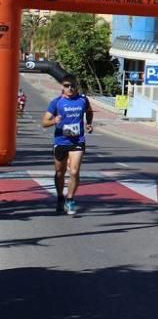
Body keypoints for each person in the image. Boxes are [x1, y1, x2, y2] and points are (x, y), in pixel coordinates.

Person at [41, 74, 94, 215]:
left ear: (76, 86)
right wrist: (54, 121)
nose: (70, 88)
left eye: (72, 86)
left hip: (77, 141)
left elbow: (89, 112)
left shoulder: (83, 100)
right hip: (60, 141)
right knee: (60, 172)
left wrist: (89, 123)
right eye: (66, 86)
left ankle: (70, 199)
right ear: (62, 87)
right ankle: (60, 197)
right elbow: (44, 122)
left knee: (75, 171)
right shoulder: (56, 102)